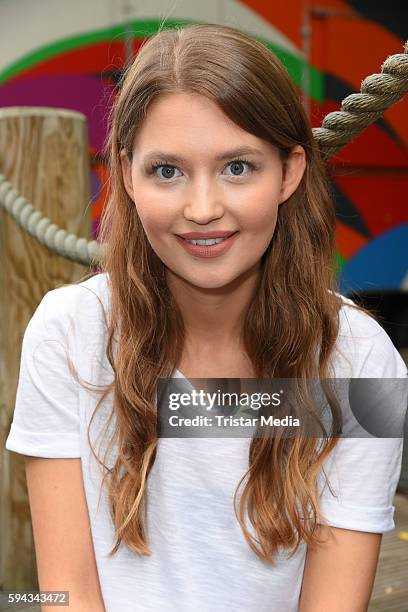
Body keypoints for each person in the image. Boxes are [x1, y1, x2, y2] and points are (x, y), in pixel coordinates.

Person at [5, 23, 408, 612]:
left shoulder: (365, 361)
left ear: (290, 172)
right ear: (126, 175)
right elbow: (65, 593)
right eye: (167, 170)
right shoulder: (68, 333)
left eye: (238, 167)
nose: (202, 209)